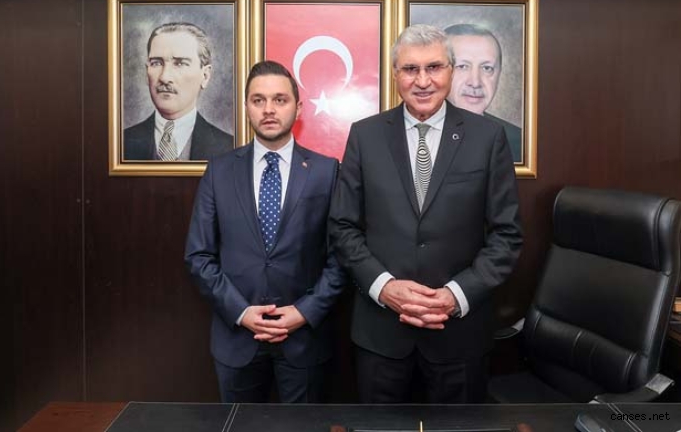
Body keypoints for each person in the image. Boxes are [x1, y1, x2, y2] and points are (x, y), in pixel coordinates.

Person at [328, 24, 522, 404]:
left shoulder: (487, 138)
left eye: (433, 67)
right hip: (381, 335)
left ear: (450, 70)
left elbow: (507, 236)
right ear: (395, 74)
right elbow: (343, 226)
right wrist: (384, 287)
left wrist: (455, 295)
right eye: (410, 69)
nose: (422, 81)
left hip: (459, 336)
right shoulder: (365, 136)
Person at [185, 60, 346, 403]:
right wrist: (242, 313)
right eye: (258, 100)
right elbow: (199, 255)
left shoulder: (326, 171)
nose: (269, 109)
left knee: (303, 428)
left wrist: (304, 312)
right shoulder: (219, 171)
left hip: (304, 339)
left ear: (298, 108)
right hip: (236, 337)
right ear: (246, 107)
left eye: (279, 100)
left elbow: (341, 258)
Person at [123, 22, 233, 161]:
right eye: (156, 63)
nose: (164, 77)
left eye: (180, 63)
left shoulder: (230, 148)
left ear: (205, 76)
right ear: (147, 72)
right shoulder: (120, 144)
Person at [445, 23, 522, 160]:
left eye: (487, 68)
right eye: (462, 66)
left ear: (499, 74)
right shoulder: (414, 136)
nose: (475, 83)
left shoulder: (519, 142)